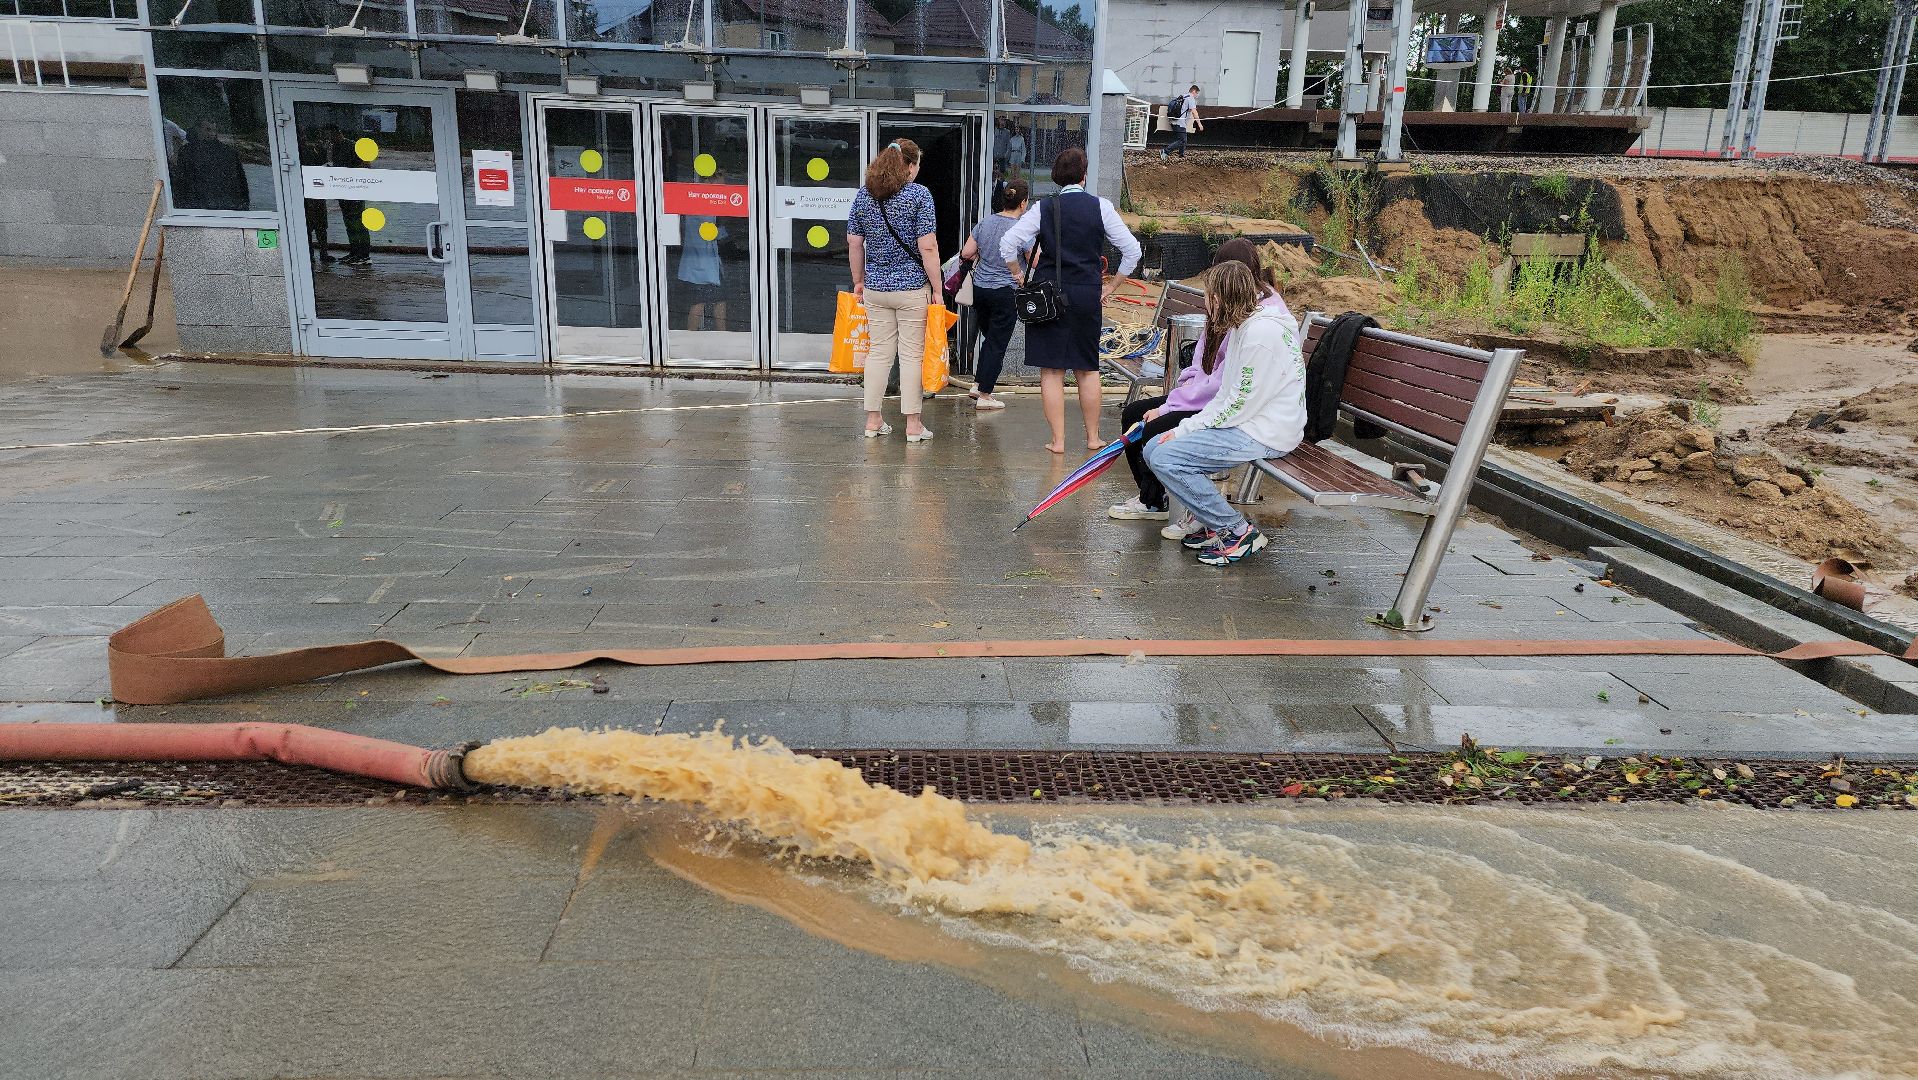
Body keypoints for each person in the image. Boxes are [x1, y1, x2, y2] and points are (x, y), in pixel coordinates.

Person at [1109, 238, 1292, 534]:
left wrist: (1174, 412)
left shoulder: (1257, 323)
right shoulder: (1236, 308)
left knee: (1158, 435)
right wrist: (1178, 398)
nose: (1209, 299)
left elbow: (1229, 390)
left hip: (1243, 414)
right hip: (1218, 400)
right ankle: (1155, 500)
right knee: (1136, 416)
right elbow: (1205, 366)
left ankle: (1219, 523)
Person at [1142, 261, 1306, 566]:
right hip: (1253, 422)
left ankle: (1237, 532)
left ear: (1220, 299)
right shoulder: (1245, 327)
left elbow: (1238, 405)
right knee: (1154, 448)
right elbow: (1227, 396)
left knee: (1165, 456)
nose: (1205, 304)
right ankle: (1211, 522)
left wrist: (1184, 430)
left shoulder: (1259, 335)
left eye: (1208, 296)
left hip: (1266, 431)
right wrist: (1186, 428)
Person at [1000, 148, 1140, 454]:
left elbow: (1008, 243)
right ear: (1084, 175)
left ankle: (1059, 441)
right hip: (1088, 293)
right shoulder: (1101, 207)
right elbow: (1133, 251)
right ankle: (1092, 438)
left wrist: (1019, 275)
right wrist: (1113, 286)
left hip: (1049, 294)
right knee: (1087, 369)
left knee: (1052, 371)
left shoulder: (1044, 208)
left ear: (1056, 177)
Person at [847, 138, 944, 443]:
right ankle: (913, 425)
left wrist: (859, 280)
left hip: (875, 287)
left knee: (878, 353)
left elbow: (854, 242)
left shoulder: (864, 196)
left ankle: (873, 421)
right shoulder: (919, 195)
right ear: (911, 166)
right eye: (917, 165)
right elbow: (927, 246)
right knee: (912, 355)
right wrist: (938, 289)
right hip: (912, 289)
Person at [958, 177, 1029, 412]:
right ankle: (986, 395)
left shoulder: (985, 222)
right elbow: (1033, 259)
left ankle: (978, 384)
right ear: (1023, 203)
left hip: (981, 290)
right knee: (997, 343)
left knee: (990, 339)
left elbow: (967, 252)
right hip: (1005, 291)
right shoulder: (1022, 229)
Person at [172, 119, 250, 212]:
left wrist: (243, 204)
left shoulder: (227, 152)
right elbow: (182, 180)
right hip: (196, 206)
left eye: (214, 130)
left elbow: (240, 179)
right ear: (198, 130)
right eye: (208, 130)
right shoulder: (187, 152)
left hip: (224, 205)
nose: (212, 134)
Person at [1162, 84, 1203, 160]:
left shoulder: (1183, 96)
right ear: (1194, 91)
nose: (1196, 95)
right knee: (1182, 140)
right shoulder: (1190, 98)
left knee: (1183, 139)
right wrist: (1199, 124)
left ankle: (1181, 155)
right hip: (1180, 122)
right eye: (1197, 93)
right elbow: (1194, 112)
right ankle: (1165, 151)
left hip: (1174, 120)